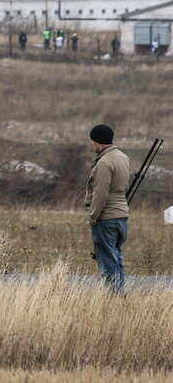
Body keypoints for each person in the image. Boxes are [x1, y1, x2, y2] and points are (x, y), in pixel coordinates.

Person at [85, 123, 130, 293]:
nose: (92, 144)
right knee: (117, 257)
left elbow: (101, 193)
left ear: (100, 142)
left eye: (93, 141)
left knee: (107, 261)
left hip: (106, 217)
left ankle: (112, 295)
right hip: (121, 215)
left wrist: (93, 216)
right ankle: (120, 293)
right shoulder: (123, 157)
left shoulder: (104, 162)